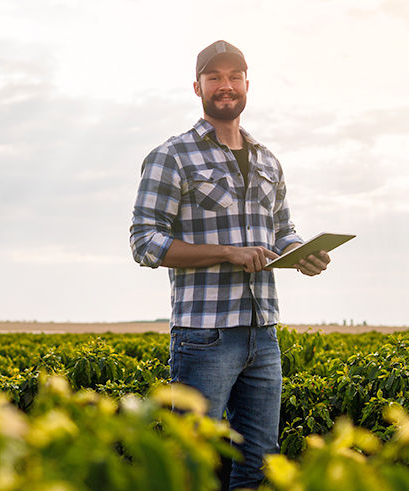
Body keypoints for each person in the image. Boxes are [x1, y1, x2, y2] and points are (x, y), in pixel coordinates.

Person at [130, 40, 330, 490]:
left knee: (260, 465)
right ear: (197, 86)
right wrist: (226, 251)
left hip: (264, 332)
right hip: (205, 335)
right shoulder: (172, 156)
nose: (226, 86)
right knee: (194, 464)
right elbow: (145, 242)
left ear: (246, 85)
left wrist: (302, 252)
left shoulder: (267, 160)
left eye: (234, 77)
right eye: (215, 77)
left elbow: (281, 228)